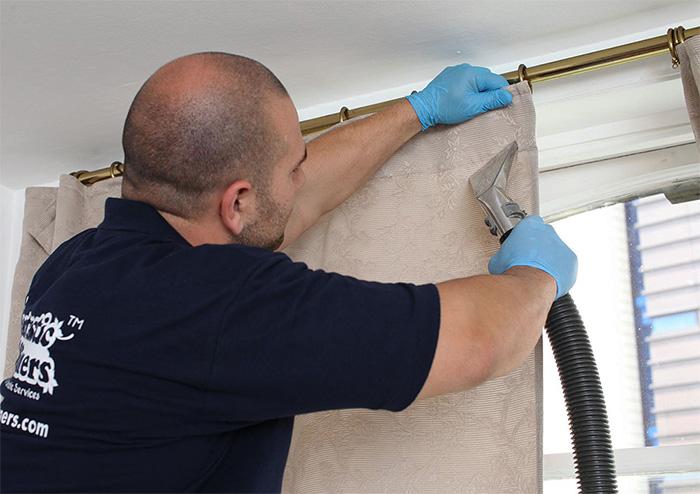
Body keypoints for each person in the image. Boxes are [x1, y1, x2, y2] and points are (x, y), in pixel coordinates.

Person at [0, 52, 576, 493]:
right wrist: (535, 273)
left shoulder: (74, 263)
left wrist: (415, 111)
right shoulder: (220, 310)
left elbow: (279, 212)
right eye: (293, 164)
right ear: (237, 202)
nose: (303, 175)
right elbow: (479, 341)